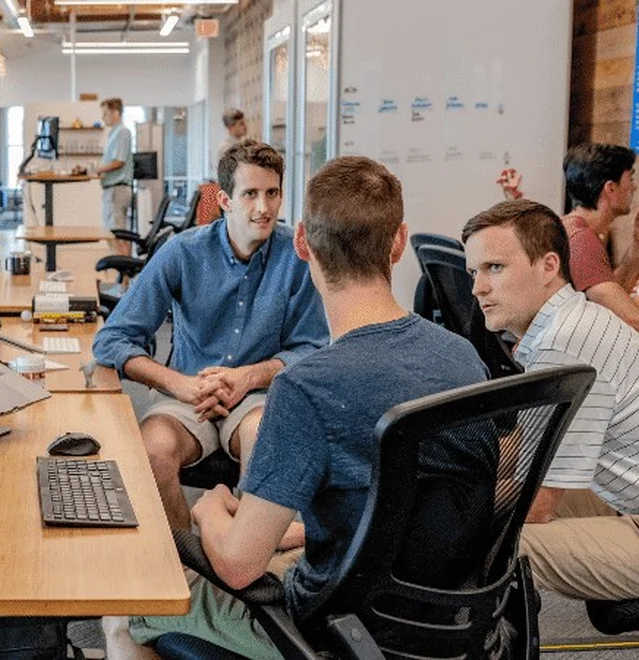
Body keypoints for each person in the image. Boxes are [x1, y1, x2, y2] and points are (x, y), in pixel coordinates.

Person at [104, 156, 492, 659]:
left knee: (121, 610)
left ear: (304, 243)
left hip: (330, 633)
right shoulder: (464, 356)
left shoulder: (307, 389)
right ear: (399, 241)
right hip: (445, 626)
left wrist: (210, 510)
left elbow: (239, 567)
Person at [92, 140, 328, 531]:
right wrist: (179, 384)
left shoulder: (297, 256)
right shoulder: (182, 252)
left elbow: (313, 349)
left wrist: (247, 377)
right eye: (250, 194)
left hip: (256, 397)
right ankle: (189, 560)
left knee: (265, 442)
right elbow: (112, 339)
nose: (263, 208)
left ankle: (242, 560)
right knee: (152, 451)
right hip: (186, 393)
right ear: (224, 199)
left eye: (272, 193)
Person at [463, 198, 639, 601]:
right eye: (474, 271)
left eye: (494, 267)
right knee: (475, 500)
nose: (477, 288)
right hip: (623, 500)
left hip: (631, 516)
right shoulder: (568, 322)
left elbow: (538, 504)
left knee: (504, 543)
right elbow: (528, 448)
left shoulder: (563, 343)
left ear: (548, 266)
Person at [562, 144, 639, 329]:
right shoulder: (580, 240)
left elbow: (610, 294)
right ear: (610, 188)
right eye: (631, 178)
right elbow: (630, 318)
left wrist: (637, 245)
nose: (634, 187)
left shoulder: (572, 226)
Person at [97, 97, 134, 256]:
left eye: (105, 113)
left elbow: (119, 161)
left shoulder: (122, 132)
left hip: (117, 189)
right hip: (111, 189)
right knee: (113, 232)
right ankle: (121, 274)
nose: (103, 117)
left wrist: (99, 169)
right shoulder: (113, 133)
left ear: (116, 112)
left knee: (118, 234)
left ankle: (125, 277)